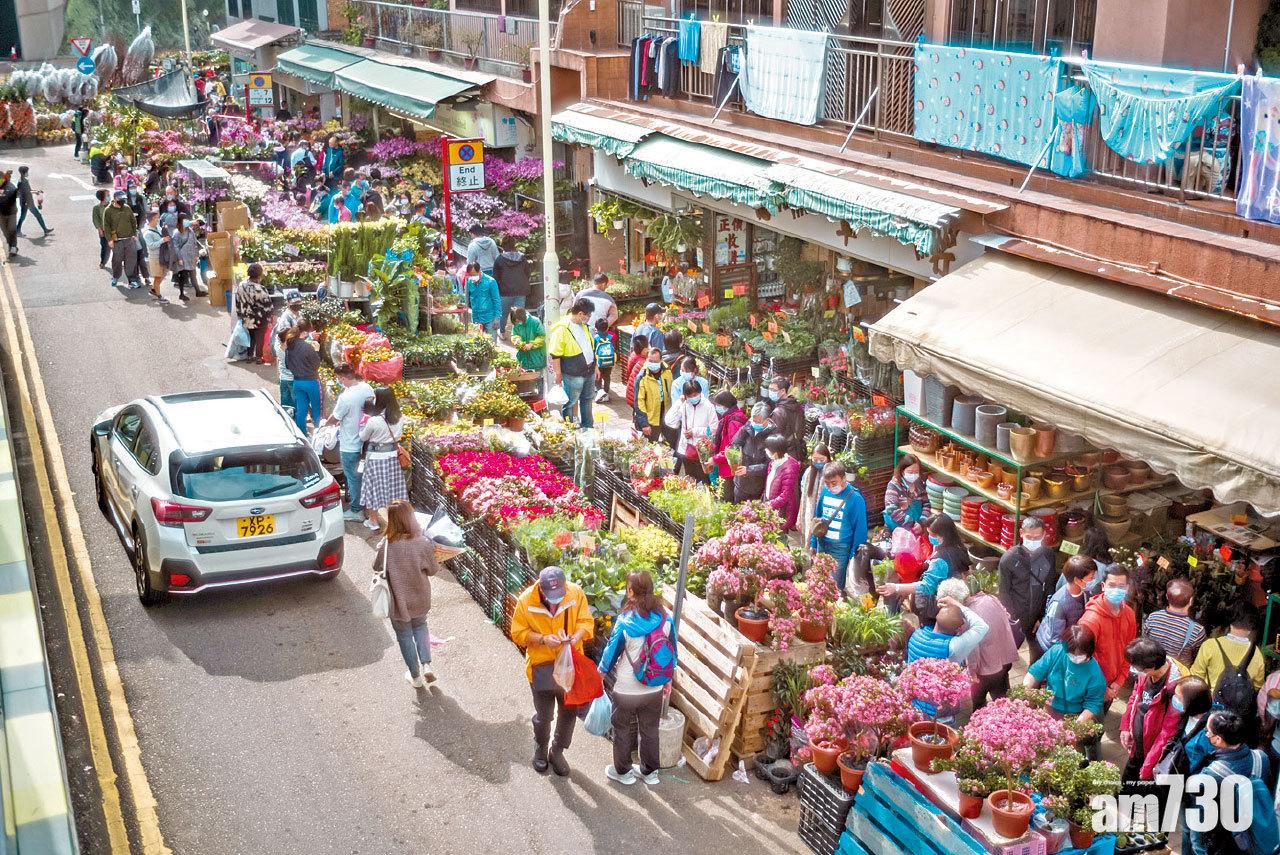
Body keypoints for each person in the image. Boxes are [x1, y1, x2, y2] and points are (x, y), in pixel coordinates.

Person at [510, 566, 595, 776]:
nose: (555, 601)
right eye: (550, 597)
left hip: (569, 668)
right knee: (544, 715)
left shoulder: (575, 593)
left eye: (559, 596)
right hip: (541, 668)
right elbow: (518, 633)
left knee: (569, 713)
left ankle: (557, 751)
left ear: (565, 586)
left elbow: (586, 621)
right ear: (540, 587)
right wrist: (542, 639)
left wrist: (576, 636)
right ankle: (540, 747)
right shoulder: (526, 601)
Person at [597, 572, 673, 786]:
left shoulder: (625, 622)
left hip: (626, 689)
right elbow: (671, 651)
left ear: (631, 592)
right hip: (654, 687)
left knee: (621, 728)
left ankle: (624, 772)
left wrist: (600, 673)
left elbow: (610, 654)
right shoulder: (666, 618)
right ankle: (649, 773)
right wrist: (667, 680)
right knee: (650, 730)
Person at [373, 500, 442, 689]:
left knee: (404, 636)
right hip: (420, 596)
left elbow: (377, 566)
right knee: (420, 626)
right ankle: (426, 664)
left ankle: (416, 677)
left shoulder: (387, 545)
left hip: (398, 600)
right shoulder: (422, 542)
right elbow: (433, 570)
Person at [1187, 711, 1275, 855]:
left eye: (1207, 732)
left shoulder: (1211, 775)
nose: (1206, 734)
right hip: (1257, 835)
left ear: (1218, 739)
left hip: (1225, 842)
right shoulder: (1262, 759)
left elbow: (1199, 822)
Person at [939, 576, 1017, 709]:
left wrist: (972, 672)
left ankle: (981, 726)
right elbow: (1007, 616)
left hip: (986, 668)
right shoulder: (990, 598)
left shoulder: (967, 620)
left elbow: (972, 651)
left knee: (979, 702)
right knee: (1002, 698)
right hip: (1005, 657)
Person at [879, 514, 970, 620]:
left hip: (935, 605)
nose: (929, 536)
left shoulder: (940, 561)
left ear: (941, 536)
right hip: (953, 599)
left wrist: (897, 588)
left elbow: (927, 586)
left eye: (931, 534)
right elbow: (966, 573)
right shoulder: (958, 547)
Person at [1120, 637, 1183, 782]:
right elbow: (1135, 696)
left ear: (1151, 667)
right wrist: (1125, 726)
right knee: (1125, 785)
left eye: (1136, 668)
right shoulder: (1147, 673)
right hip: (1137, 747)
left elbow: (1168, 732)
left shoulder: (1176, 689)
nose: (1134, 671)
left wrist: (1148, 767)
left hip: (1152, 753)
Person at [1078, 564, 1138, 710]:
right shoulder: (1090, 621)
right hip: (1091, 688)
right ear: (1104, 586)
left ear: (1127, 588)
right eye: (1112, 585)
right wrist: (1102, 689)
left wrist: (1119, 682)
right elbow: (1081, 661)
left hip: (1113, 685)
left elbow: (1129, 650)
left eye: (1121, 586)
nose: (1117, 590)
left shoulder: (1129, 614)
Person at [997, 515, 1055, 662]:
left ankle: (1032, 682)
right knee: (1007, 656)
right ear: (1021, 534)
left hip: (1037, 614)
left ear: (1043, 535)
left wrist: (1042, 616)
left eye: (1037, 537)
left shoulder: (1048, 555)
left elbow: (1049, 587)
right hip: (1017, 615)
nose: (1033, 541)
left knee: (1037, 655)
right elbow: (1004, 592)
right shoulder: (1009, 559)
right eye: (1029, 536)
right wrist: (1013, 618)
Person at [1024, 625, 1107, 723]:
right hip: (1049, 706)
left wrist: (1076, 725)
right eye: (1072, 654)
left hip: (1073, 715)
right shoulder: (1056, 652)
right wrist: (1028, 694)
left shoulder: (1095, 673)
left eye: (1080, 655)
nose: (1075, 658)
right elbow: (1035, 672)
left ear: (1090, 652)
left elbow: (1093, 703)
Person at [324, 363, 375, 523]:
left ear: (343, 378)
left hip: (350, 444)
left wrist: (325, 424)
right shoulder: (367, 388)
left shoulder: (345, 397)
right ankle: (363, 505)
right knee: (362, 477)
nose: (339, 381)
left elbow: (336, 418)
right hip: (366, 443)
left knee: (353, 478)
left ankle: (356, 511)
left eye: (339, 379)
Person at [808, 461, 867, 593]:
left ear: (844, 478)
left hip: (841, 549)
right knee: (818, 583)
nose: (830, 487)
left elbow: (860, 530)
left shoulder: (856, 498)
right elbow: (817, 519)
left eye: (833, 483)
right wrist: (813, 543)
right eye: (827, 483)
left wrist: (853, 555)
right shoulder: (825, 492)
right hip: (822, 544)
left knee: (833, 589)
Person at [358, 388, 407, 532]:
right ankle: (396, 523)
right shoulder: (399, 417)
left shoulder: (374, 420)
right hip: (392, 458)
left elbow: (363, 437)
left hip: (375, 460)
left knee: (372, 490)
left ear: (379, 400)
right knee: (393, 491)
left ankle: (373, 521)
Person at [548, 298, 598, 429]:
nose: (589, 318)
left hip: (589, 371)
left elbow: (590, 347)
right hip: (573, 374)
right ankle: (569, 429)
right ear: (581, 314)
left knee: (587, 401)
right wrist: (558, 374)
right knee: (570, 403)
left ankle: (588, 428)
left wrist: (595, 367)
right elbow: (555, 354)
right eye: (588, 315)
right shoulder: (562, 329)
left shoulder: (584, 326)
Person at [905, 593, 989, 665]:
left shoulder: (915, 635)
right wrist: (957, 604)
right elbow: (982, 626)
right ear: (958, 629)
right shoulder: (953, 647)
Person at [1036, 554, 1096, 653]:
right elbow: (1055, 639)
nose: (1094, 580)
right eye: (1091, 577)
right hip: (1050, 649)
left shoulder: (1086, 592)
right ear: (1077, 580)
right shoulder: (1059, 604)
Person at [1142, 578, 1207, 667]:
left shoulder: (1153, 617)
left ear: (1167, 597)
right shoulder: (1197, 630)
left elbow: (1145, 641)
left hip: (1153, 670)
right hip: (1179, 677)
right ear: (1191, 601)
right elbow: (1198, 659)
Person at [663, 382, 718, 483]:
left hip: (703, 451)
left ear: (700, 393)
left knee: (704, 479)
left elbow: (714, 429)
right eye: (690, 396)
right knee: (690, 479)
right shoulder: (684, 405)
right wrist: (679, 402)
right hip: (686, 449)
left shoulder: (708, 406)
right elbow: (669, 421)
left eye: (695, 395)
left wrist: (694, 431)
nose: (693, 397)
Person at [726, 403, 776, 502]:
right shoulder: (746, 428)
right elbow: (734, 445)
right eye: (753, 420)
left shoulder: (773, 436)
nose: (755, 423)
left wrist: (749, 470)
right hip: (740, 483)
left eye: (758, 421)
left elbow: (771, 464)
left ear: (767, 420)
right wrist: (732, 458)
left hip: (758, 485)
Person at [283, 321, 322, 434]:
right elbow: (316, 364)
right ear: (305, 332)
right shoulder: (308, 347)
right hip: (311, 382)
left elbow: (287, 365)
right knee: (316, 409)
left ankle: (302, 434)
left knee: (301, 410)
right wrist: (317, 351)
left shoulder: (289, 346)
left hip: (297, 382)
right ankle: (319, 434)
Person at [708, 390, 747, 501]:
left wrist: (715, 459)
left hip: (730, 466)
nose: (716, 408)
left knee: (727, 497)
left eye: (717, 405)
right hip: (727, 464)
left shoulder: (734, 421)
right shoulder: (728, 417)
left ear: (724, 405)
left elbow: (733, 448)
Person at [233, 262, 273, 361]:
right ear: (259, 275)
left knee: (250, 336)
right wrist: (269, 319)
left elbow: (237, 301)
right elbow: (268, 306)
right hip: (260, 318)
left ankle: (249, 355)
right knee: (260, 337)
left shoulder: (241, 285)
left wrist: (239, 314)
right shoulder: (261, 289)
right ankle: (259, 357)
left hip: (247, 317)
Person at [763, 433, 801, 531]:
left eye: (767, 449)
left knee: (779, 537)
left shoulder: (789, 468)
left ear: (775, 452)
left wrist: (770, 504)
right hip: (771, 505)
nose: (766, 451)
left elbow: (786, 494)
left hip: (781, 511)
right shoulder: (774, 462)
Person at [493, 236, 530, 334]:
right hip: (521, 290)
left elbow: (496, 278)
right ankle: (520, 334)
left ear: (503, 246)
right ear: (514, 245)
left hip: (505, 292)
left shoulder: (499, 260)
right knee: (519, 314)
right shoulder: (522, 258)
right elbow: (528, 273)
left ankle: (502, 332)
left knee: (503, 314)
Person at [103, 190, 141, 286]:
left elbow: (133, 221)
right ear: (115, 199)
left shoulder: (127, 208)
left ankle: (132, 279)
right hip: (117, 241)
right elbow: (106, 226)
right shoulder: (108, 210)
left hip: (129, 239)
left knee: (131, 259)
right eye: (121, 199)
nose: (123, 201)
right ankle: (115, 276)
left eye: (124, 199)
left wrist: (134, 234)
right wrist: (109, 239)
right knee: (117, 260)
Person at [632, 347, 671, 440]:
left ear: (661, 360)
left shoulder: (667, 371)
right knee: (651, 447)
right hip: (651, 419)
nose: (653, 364)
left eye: (655, 361)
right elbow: (639, 403)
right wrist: (644, 424)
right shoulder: (642, 377)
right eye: (650, 361)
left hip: (666, 415)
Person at [765, 376, 806, 460]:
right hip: (797, 451)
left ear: (783, 391)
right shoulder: (797, 406)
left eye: (773, 390)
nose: (770, 392)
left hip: (784, 455)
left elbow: (775, 438)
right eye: (769, 389)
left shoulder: (778, 412)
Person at [798, 444, 831, 544]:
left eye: (822, 459)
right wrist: (799, 518)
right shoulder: (808, 472)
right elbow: (804, 497)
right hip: (810, 513)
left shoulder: (831, 473)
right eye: (815, 459)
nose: (818, 462)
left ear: (828, 458)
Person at [883, 454, 926, 530]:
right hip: (897, 524)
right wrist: (911, 523)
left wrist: (921, 522)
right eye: (910, 472)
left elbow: (926, 504)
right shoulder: (893, 485)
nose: (913, 475)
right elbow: (891, 509)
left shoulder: (920, 484)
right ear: (902, 471)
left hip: (916, 524)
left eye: (916, 472)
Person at [463, 262, 502, 341]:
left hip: (490, 318)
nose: (473, 277)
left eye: (474, 274)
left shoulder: (490, 282)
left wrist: (497, 317)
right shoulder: (469, 282)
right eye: (471, 275)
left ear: (479, 271)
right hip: (476, 318)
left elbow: (496, 300)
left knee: (491, 344)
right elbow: (466, 299)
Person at [169, 214, 201, 303]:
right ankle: (181, 294)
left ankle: (198, 291)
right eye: (184, 220)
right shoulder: (177, 233)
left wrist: (196, 254)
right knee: (182, 276)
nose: (187, 221)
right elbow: (175, 247)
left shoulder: (190, 230)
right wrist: (179, 258)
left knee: (193, 274)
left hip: (190, 256)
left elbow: (194, 243)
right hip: (182, 257)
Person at [509, 306, 546, 375]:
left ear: (522, 317)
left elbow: (542, 336)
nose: (517, 323)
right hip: (523, 357)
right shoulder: (516, 324)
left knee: (538, 377)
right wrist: (517, 340)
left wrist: (532, 344)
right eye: (515, 322)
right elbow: (514, 335)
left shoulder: (535, 321)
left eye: (518, 321)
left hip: (537, 356)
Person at [15, 166, 50, 237]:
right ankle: (17, 231)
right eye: (27, 172)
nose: (28, 173)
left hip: (28, 202)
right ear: (23, 173)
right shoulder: (21, 182)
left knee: (33, 216)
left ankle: (45, 230)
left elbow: (29, 190)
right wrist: (35, 192)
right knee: (23, 217)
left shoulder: (24, 180)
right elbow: (24, 193)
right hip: (26, 202)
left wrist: (36, 191)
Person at [592, 319, 617, 404]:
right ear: (607, 328)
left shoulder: (595, 337)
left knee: (598, 377)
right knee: (607, 377)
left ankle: (599, 391)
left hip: (599, 362)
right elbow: (614, 348)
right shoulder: (611, 336)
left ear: (596, 328)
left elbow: (594, 350)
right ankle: (606, 394)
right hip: (609, 361)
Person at [623, 334, 649, 409]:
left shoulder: (634, 355)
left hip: (631, 391)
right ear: (644, 350)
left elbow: (629, 372)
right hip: (636, 395)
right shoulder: (642, 363)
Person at [92, 188, 110, 269]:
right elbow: (95, 219)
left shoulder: (112, 205)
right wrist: (99, 230)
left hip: (114, 230)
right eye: (108, 195)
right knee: (105, 247)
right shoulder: (97, 208)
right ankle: (103, 262)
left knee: (117, 247)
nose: (109, 197)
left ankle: (118, 262)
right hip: (104, 231)